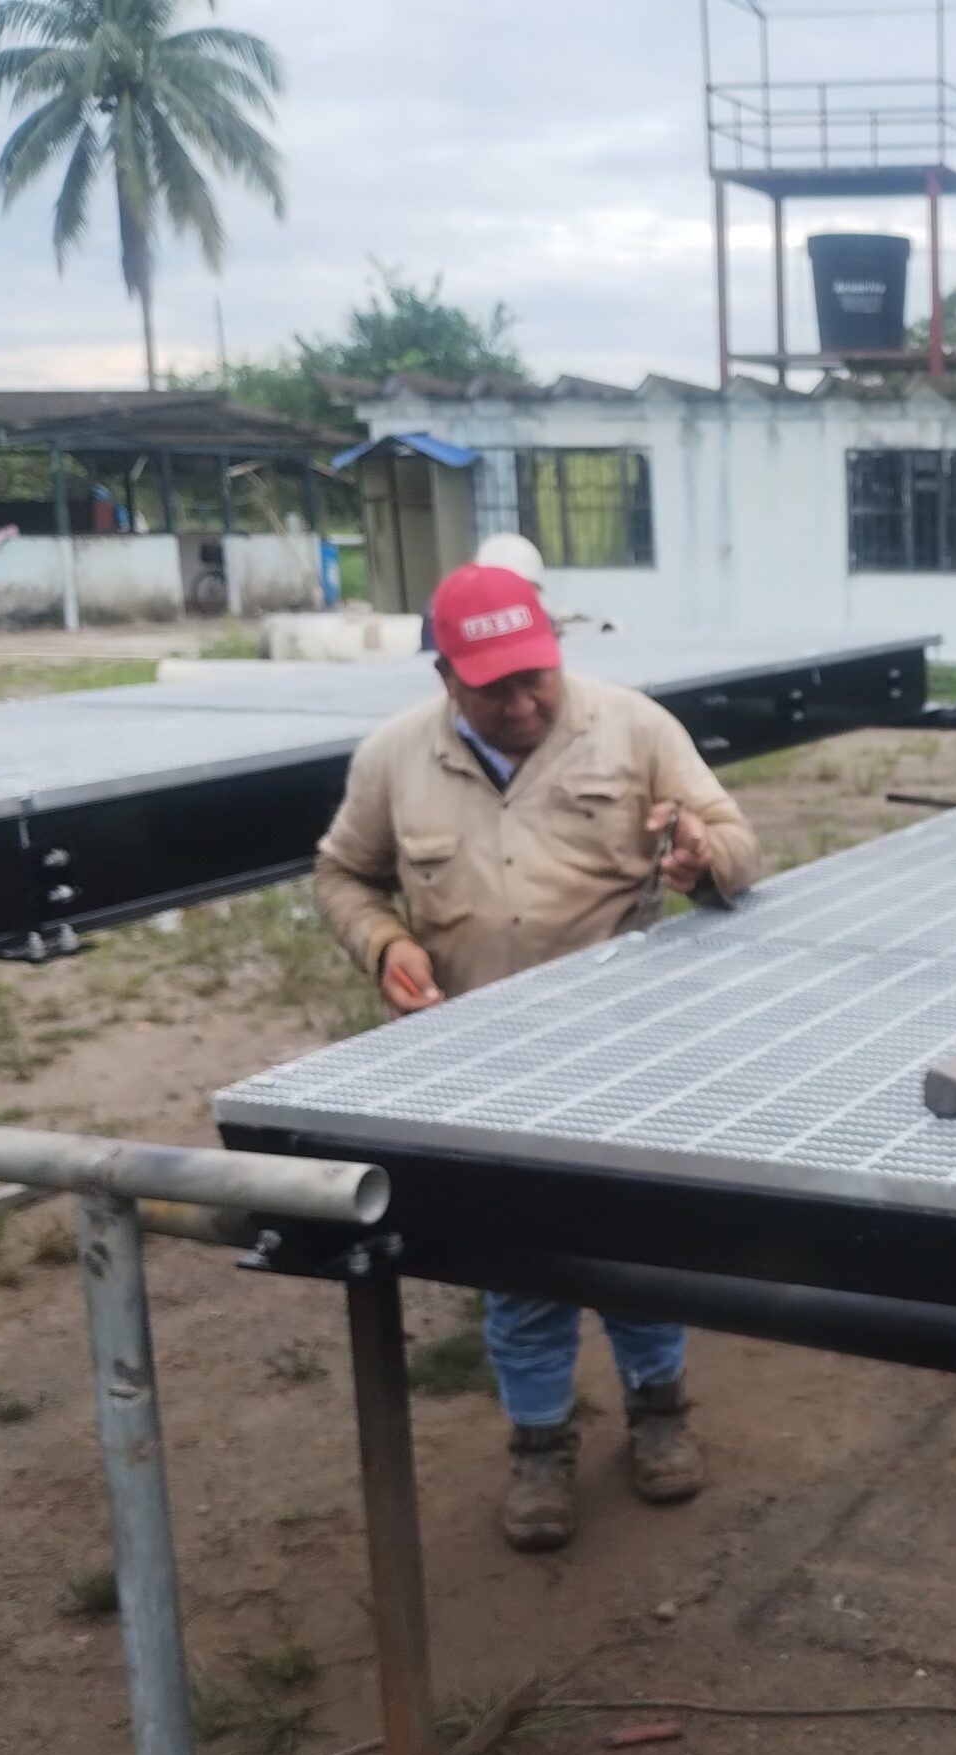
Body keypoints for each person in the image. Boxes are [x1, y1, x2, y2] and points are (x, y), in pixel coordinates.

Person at [315, 562, 761, 1552]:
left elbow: (737, 843)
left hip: (629, 1056)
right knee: (518, 1267)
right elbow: (343, 872)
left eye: (536, 678)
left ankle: (658, 1412)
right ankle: (540, 1442)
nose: (522, 704)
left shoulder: (634, 729)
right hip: (486, 1067)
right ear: (445, 675)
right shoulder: (395, 759)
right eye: (494, 688)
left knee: (637, 1250)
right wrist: (385, 945)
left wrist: (703, 858)